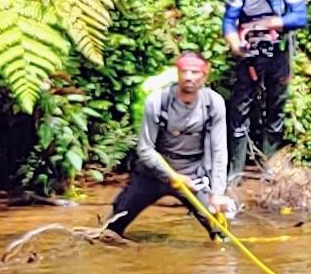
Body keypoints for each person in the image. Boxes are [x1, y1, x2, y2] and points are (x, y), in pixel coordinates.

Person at [94, 48, 230, 240]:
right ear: (177, 73)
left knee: (220, 235)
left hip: (192, 177)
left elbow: (219, 151)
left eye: (194, 72)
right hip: (153, 175)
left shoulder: (214, 103)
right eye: (184, 71)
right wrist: (172, 176)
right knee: (109, 231)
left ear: (205, 74)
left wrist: (217, 193)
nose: (189, 77)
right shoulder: (157, 101)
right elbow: (145, 149)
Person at [222, 0, 309, 166]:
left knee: (277, 101)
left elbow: (300, 17)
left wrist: (268, 24)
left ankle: (270, 163)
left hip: (279, 42)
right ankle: (236, 166)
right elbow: (229, 20)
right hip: (249, 46)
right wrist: (236, 44)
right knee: (241, 104)